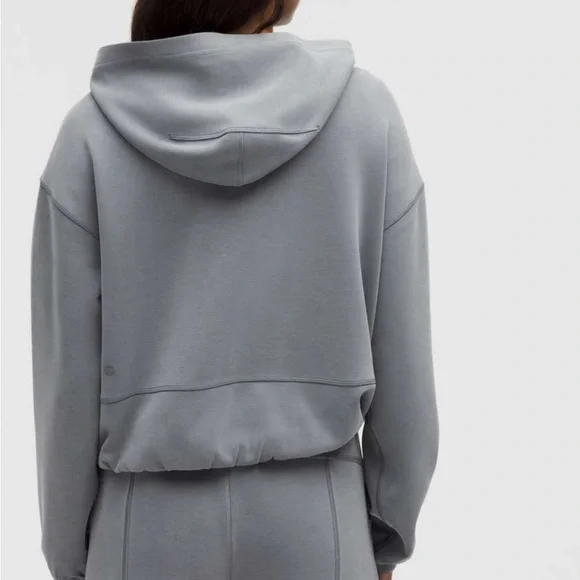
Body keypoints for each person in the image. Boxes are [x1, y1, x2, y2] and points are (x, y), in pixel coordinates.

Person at [30, 1, 439, 579]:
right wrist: (387, 534)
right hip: (319, 522)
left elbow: (65, 388)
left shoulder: (89, 134)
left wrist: (70, 555)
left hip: (142, 525)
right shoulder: (366, 115)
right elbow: (404, 366)